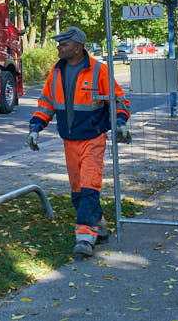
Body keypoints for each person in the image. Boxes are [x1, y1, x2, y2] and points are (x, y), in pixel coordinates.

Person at [27, 26, 131, 257]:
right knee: (77, 191)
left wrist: (121, 122)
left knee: (89, 186)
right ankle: (100, 224)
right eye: (59, 43)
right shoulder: (56, 71)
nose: (59, 47)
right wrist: (36, 128)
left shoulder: (98, 71)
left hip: (93, 139)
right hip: (69, 141)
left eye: (64, 44)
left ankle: (85, 238)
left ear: (78, 47)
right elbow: (46, 103)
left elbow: (118, 101)